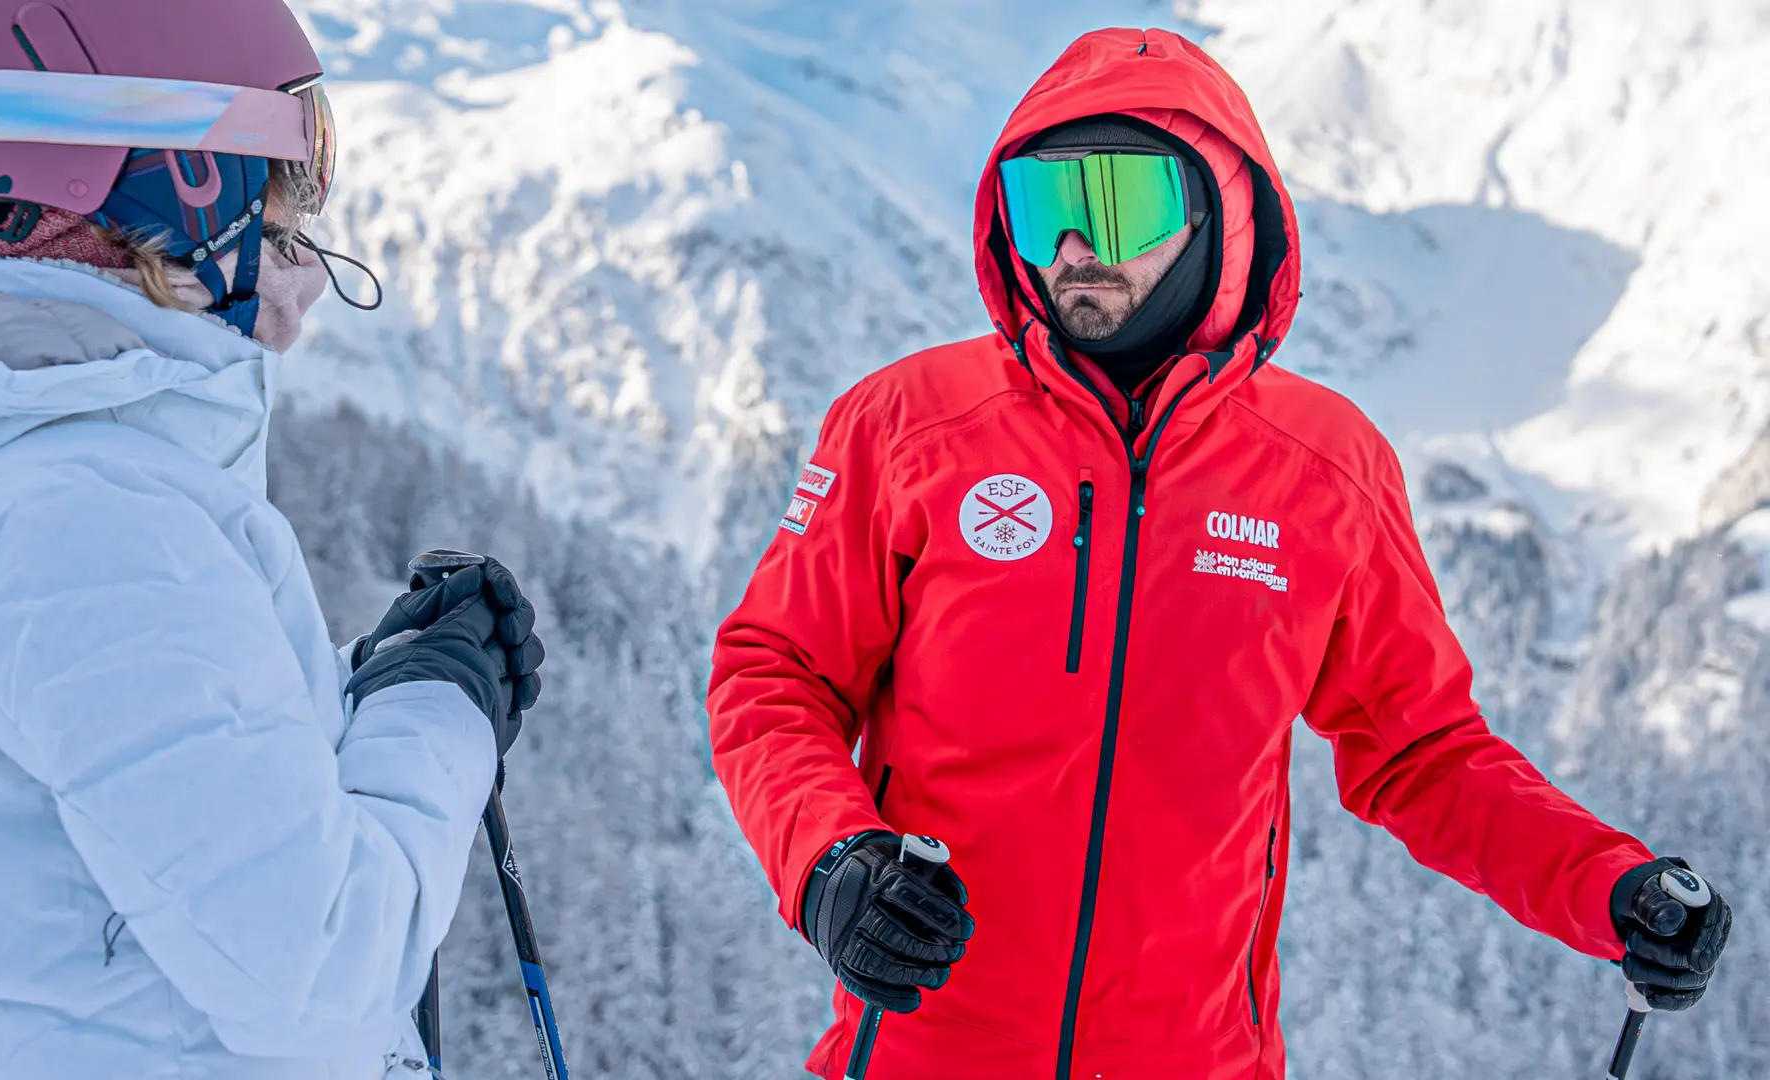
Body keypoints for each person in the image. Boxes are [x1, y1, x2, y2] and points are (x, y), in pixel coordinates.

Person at [708, 26, 1731, 1080]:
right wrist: (829, 859)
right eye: (1043, 207)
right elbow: (774, 677)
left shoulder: (1324, 471)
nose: (1072, 251)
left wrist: (1609, 885)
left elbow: (1421, 752)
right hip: (916, 1056)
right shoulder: (908, 429)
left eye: (1118, 207)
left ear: (1217, 214)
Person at [0, 1, 543, 1077]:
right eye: (273, 224)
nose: (307, 282)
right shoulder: (79, 517)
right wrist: (439, 711)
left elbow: (138, 866)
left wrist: (365, 689)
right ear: (172, 185)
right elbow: (320, 977)